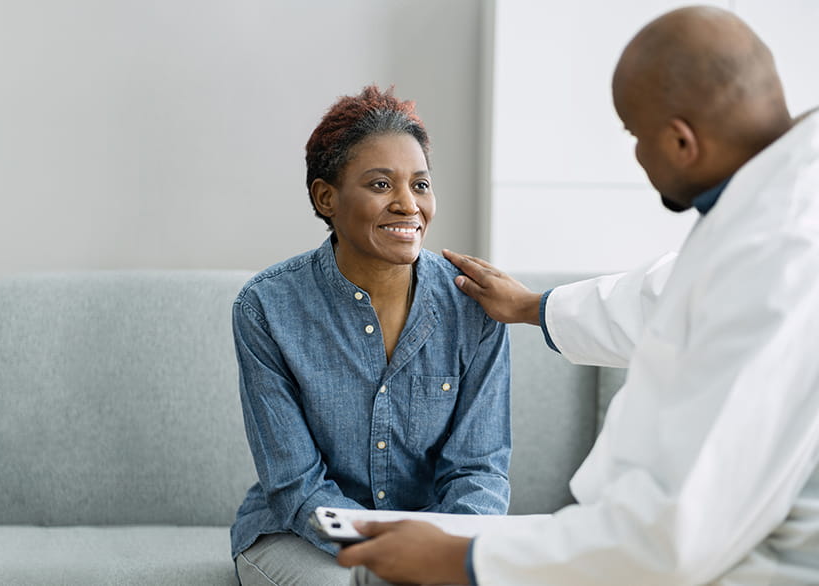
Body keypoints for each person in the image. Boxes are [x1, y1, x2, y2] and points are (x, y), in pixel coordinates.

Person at [336, 6, 819, 584]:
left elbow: (677, 532)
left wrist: (461, 558)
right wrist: (532, 306)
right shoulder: (770, 203)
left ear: (681, 141)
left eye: (635, 136)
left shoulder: (783, 251)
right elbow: (668, 299)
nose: (636, 154)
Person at [231, 85, 512, 585]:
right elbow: (295, 485)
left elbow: (479, 470)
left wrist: (445, 554)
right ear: (326, 197)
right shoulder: (267, 308)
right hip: (303, 535)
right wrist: (384, 554)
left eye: (420, 185)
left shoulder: (476, 304)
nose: (408, 205)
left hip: (434, 534)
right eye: (381, 184)